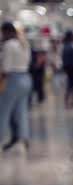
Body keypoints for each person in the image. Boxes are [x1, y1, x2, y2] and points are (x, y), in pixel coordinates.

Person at [0, 22, 32, 152]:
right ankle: (24, 138)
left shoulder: (8, 45)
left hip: (12, 80)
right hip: (26, 79)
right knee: (21, 111)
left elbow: (6, 68)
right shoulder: (24, 44)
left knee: (3, 112)